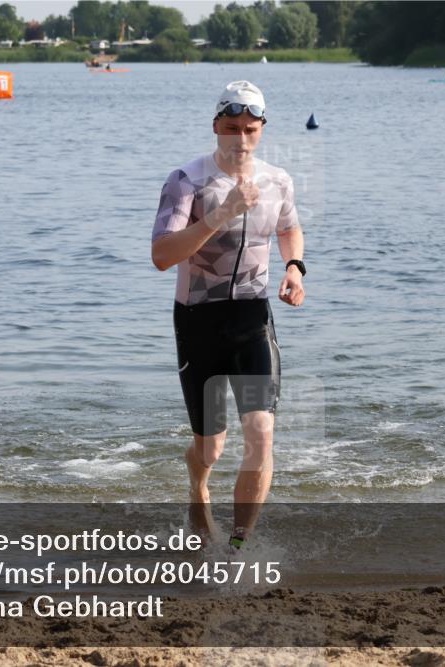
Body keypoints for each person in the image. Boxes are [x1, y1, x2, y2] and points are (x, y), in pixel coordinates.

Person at [151, 80, 305, 551]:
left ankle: (238, 546)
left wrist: (295, 268)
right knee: (210, 448)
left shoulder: (278, 181)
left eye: (250, 129)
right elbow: (161, 255)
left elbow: (290, 227)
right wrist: (221, 214)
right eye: (231, 127)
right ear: (216, 126)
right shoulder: (187, 181)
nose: (240, 138)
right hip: (199, 321)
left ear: (262, 130)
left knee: (261, 433)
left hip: (253, 321)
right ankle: (198, 484)